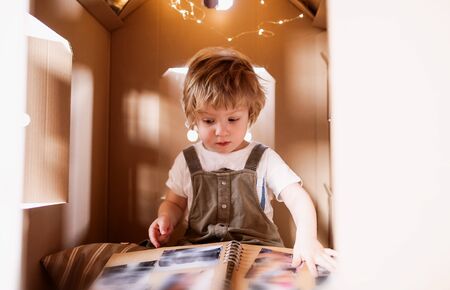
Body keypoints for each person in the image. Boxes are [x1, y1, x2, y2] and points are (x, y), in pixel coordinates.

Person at [148, 47, 337, 276]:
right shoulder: (187, 161)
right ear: (193, 117)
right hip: (200, 255)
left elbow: (297, 197)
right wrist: (166, 218)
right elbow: (174, 203)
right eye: (208, 120)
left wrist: (307, 239)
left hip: (260, 255)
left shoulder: (263, 158)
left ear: (250, 114)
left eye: (233, 119)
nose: (221, 131)